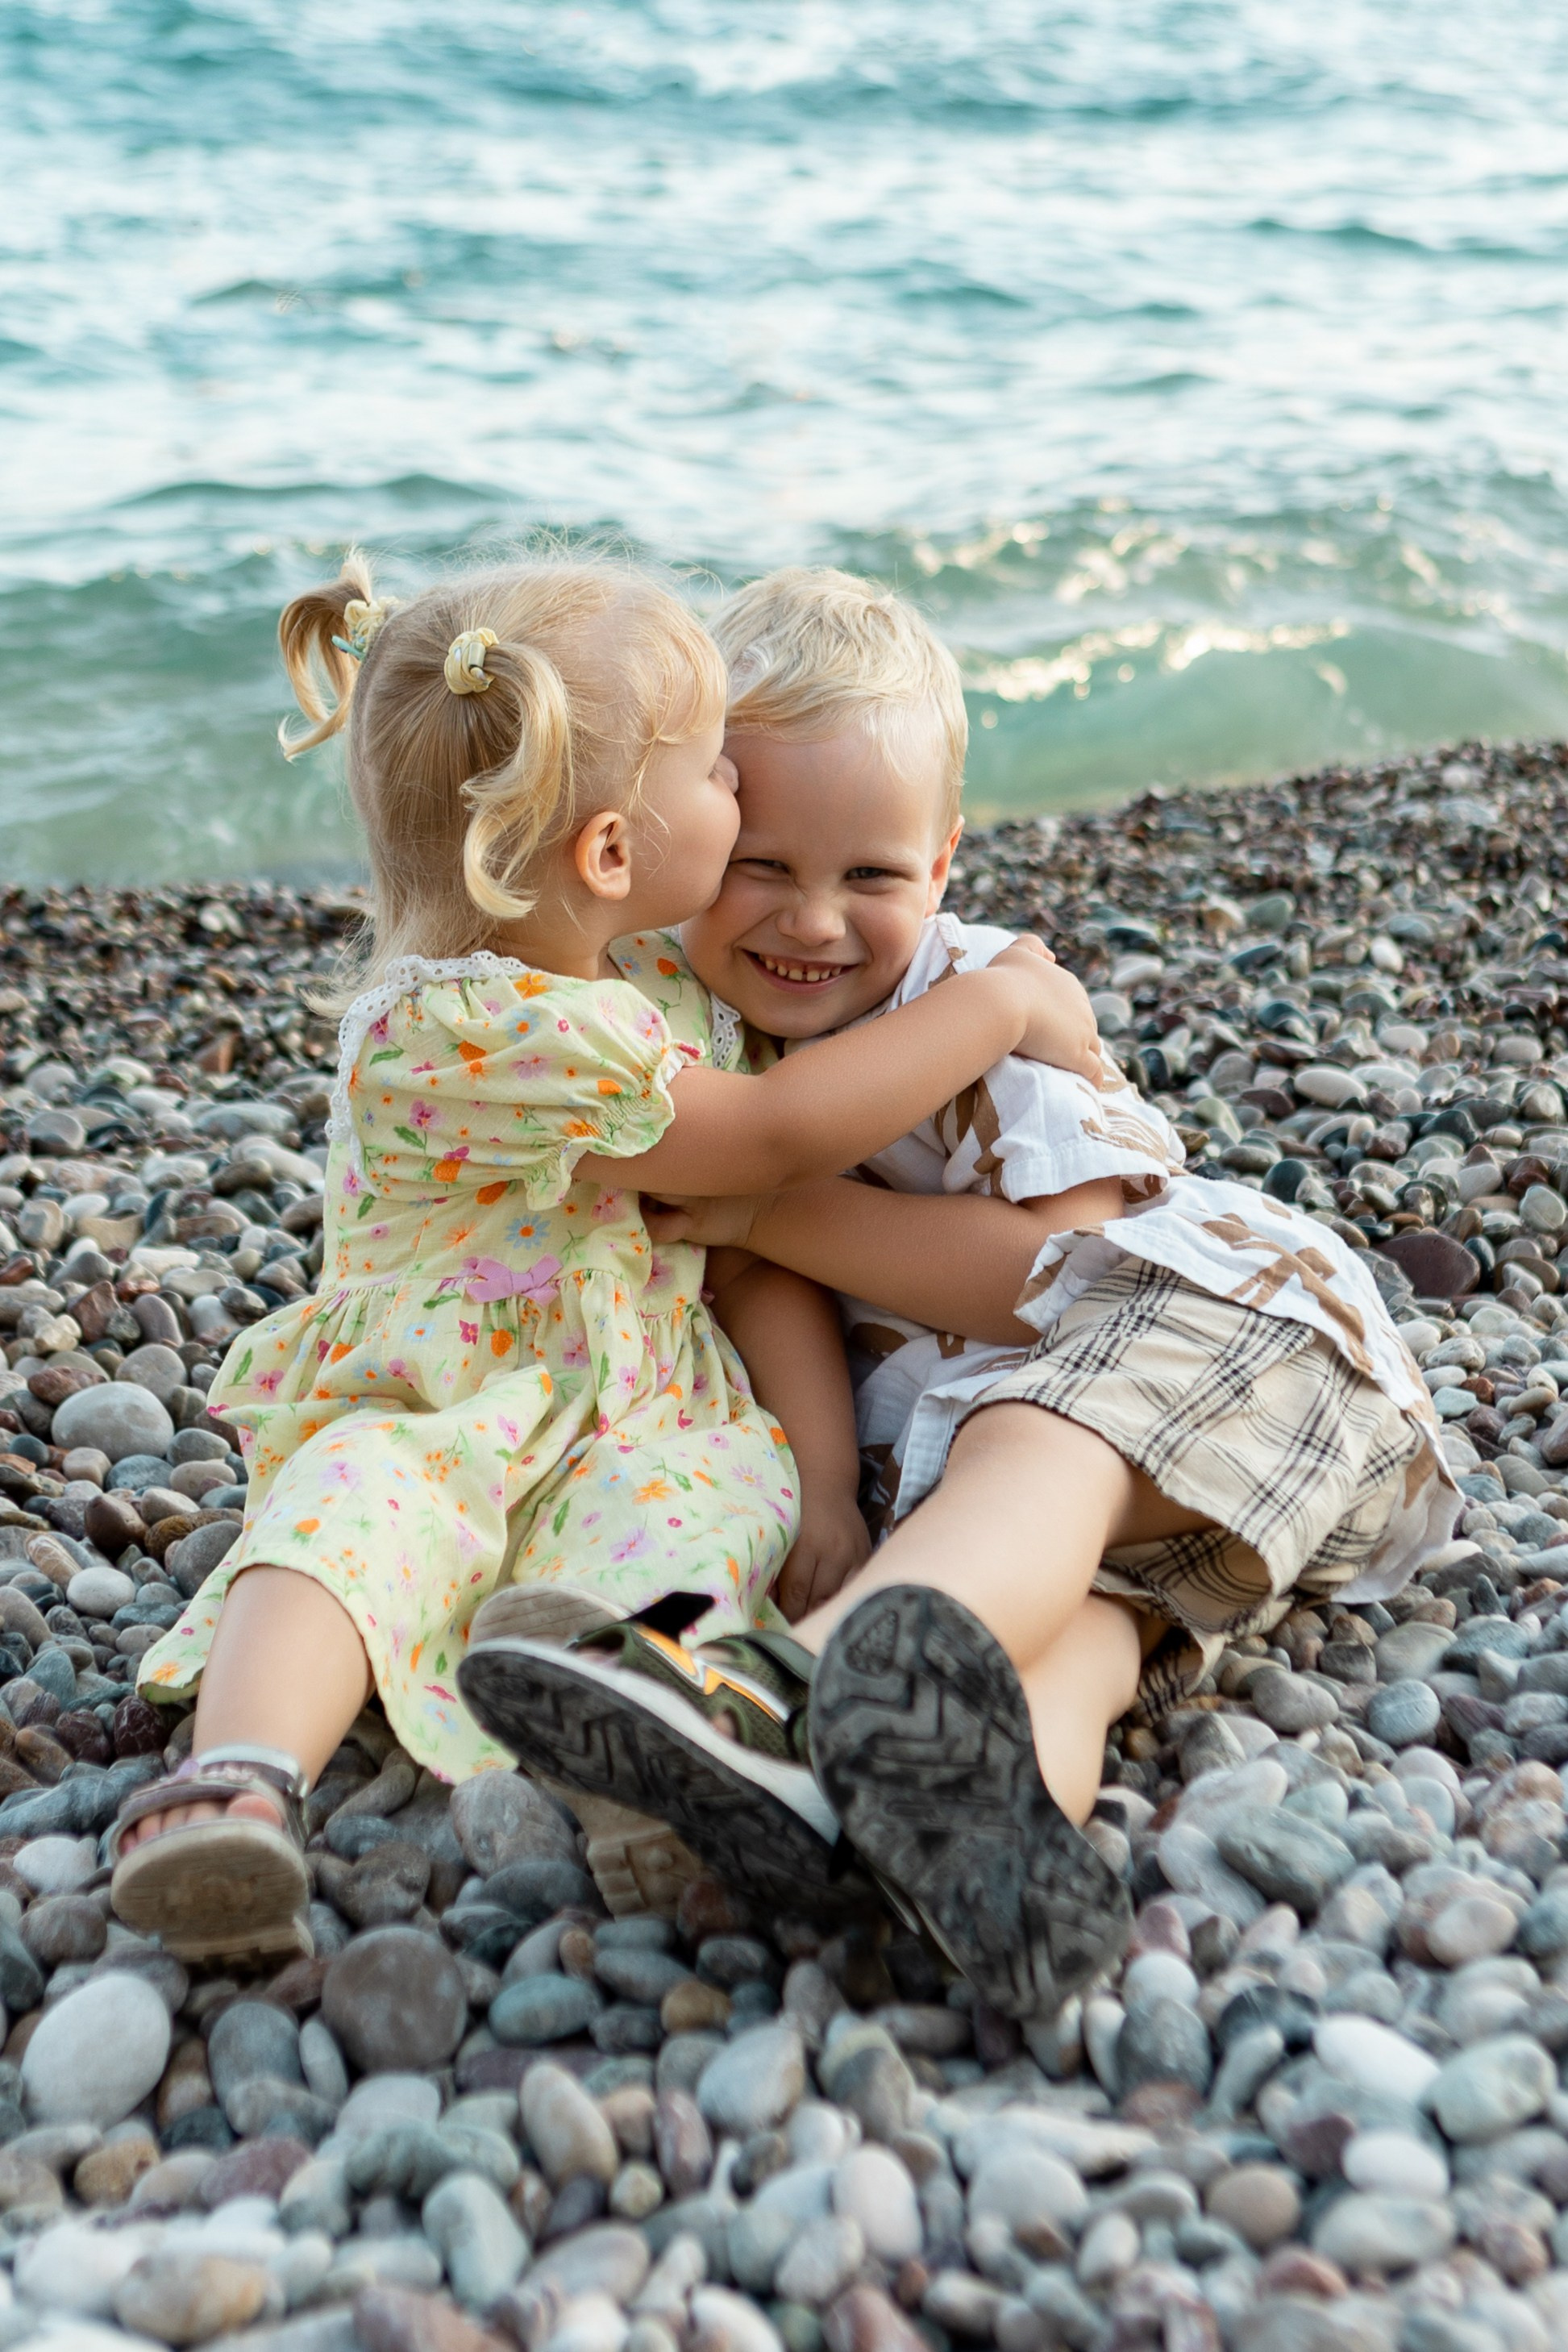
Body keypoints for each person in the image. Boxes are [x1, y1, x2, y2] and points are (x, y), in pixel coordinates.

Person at [460, 566, 1462, 2023]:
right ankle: (963, 1864)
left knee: (1034, 1443)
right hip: (1135, 1526)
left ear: (941, 863)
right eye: (762, 867)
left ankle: (776, 1684)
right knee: (1072, 1651)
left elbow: (1043, 1291)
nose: (813, 918)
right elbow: (760, 1285)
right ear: (685, 835)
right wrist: (819, 1491)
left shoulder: (985, 999)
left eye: (869, 875)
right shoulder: (711, 1057)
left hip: (1252, 1350)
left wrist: (774, 1201)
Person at [107, 556, 1101, 1967]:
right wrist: (1001, 999)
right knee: (356, 1504)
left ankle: (659, 1754)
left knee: (712, 1506)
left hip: (638, 1401)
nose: (739, 795)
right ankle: (240, 1776)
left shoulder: (656, 982)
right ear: (614, 854)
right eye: (719, 781)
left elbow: (754, 1270)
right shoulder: (463, 1028)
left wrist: (819, 1477)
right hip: (440, 1389)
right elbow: (774, 1138)